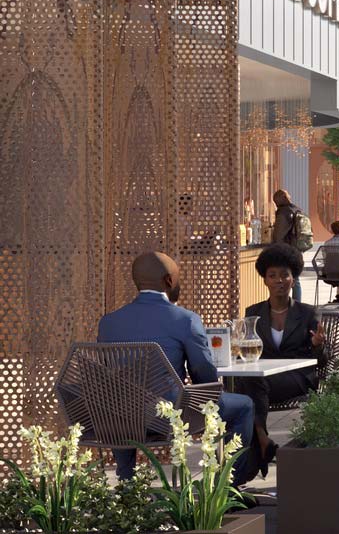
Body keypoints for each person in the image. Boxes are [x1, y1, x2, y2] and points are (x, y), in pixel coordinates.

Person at [97, 252, 258, 485]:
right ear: (169, 281)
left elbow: (105, 373)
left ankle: (126, 481)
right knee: (244, 406)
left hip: (118, 419)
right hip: (169, 417)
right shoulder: (184, 319)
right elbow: (204, 377)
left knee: (125, 400)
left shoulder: (109, 322)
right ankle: (226, 486)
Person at [242, 244, 326, 470]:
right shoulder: (253, 313)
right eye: (273, 276)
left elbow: (322, 361)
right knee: (241, 384)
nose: (279, 280)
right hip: (264, 377)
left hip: (297, 376)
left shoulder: (308, 313)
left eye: (284, 275)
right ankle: (261, 442)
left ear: (293, 279)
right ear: (265, 280)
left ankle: (259, 445)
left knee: (245, 390)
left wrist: (317, 346)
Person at [270, 189, 310, 302]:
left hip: (287, 250)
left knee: (287, 279)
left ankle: (292, 304)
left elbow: (279, 235)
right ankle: (297, 303)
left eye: (275, 201)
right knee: (295, 279)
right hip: (297, 249)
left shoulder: (284, 213)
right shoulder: (297, 209)